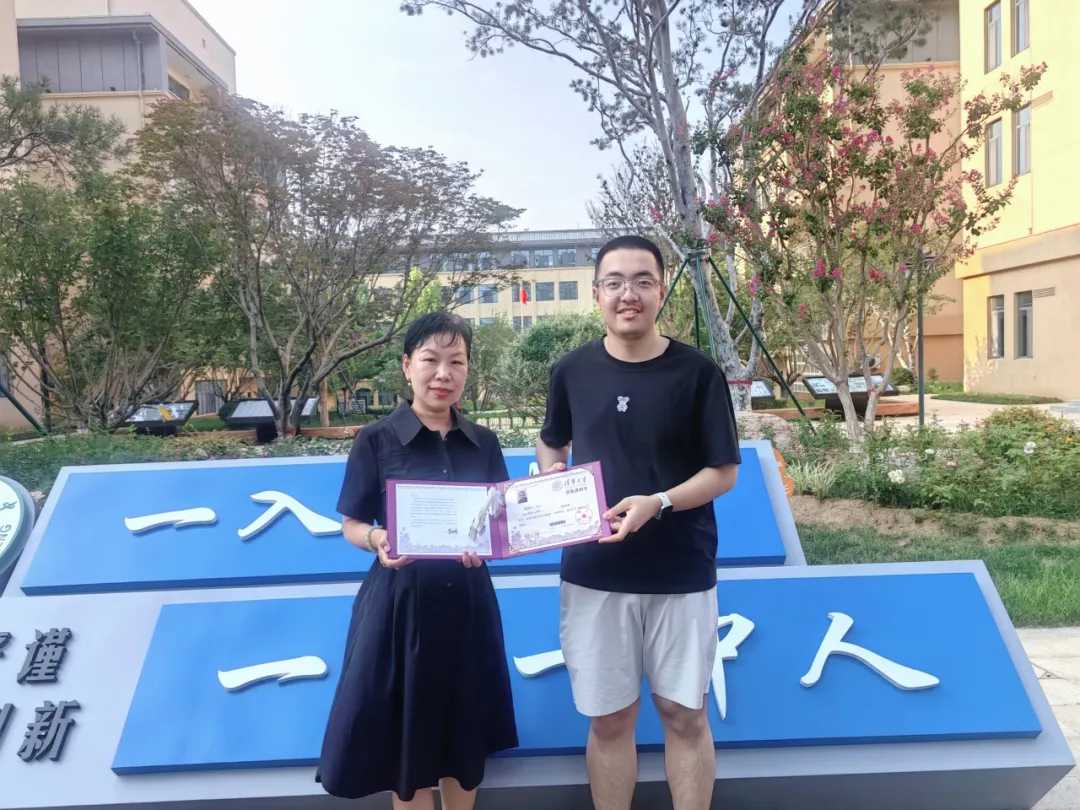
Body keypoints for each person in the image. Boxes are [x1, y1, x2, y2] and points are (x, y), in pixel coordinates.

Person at [536, 235, 741, 810]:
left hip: (680, 571)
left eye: (643, 281)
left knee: (684, 714)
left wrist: (660, 501)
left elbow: (723, 472)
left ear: (661, 290)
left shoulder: (697, 373)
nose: (629, 294)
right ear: (596, 293)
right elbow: (552, 442)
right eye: (615, 282)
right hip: (593, 572)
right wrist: (551, 478)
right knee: (608, 719)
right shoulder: (571, 370)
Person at [319, 312, 518, 810]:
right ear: (407, 366)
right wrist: (378, 539)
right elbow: (351, 525)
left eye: (457, 362)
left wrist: (495, 539)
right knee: (408, 747)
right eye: (431, 360)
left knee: (464, 735)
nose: (443, 374)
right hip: (401, 609)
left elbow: (499, 522)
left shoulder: (484, 442)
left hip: (468, 605)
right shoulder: (376, 439)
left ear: (468, 369)